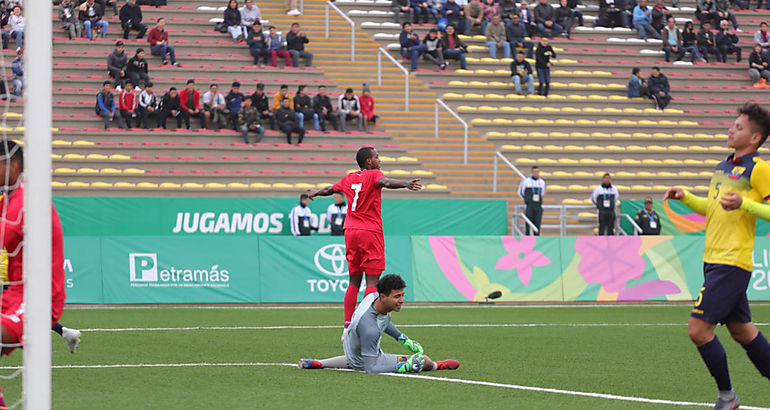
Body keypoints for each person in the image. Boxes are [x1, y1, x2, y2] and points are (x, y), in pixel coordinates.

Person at [662, 103, 770, 410]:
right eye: (733, 124)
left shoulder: (760, 169)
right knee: (742, 331)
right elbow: (713, 209)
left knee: (698, 330)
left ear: (755, 138)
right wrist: (688, 197)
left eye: (739, 127)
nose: (731, 129)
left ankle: (727, 397)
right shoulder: (723, 167)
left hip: (732, 262)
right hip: (713, 260)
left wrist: (745, 205)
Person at [307, 147, 422, 332]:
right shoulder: (374, 174)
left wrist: (316, 193)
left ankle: (347, 326)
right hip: (369, 231)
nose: (379, 160)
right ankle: (367, 323)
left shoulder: (349, 177)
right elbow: (385, 181)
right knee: (372, 283)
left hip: (350, 230)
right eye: (377, 157)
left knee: (353, 281)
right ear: (369, 161)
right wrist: (405, 183)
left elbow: (330, 189)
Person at [0, 141, 81, 387]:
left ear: (13, 165)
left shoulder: (28, 201)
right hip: (15, 291)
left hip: (40, 296)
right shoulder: (8, 200)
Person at [299, 275, 460, 373]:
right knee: (422, 360)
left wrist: (403, 339)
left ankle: (320, 363)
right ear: (383, 297)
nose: (402, 300)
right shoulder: (369, 329)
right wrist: (404, 366)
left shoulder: (373, 299)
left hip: (353, 353)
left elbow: (384, 321)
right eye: (397, 296)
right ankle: (437, 366)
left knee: (353, 359)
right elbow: (371, 369)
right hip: (364, 360)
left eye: (403, 295)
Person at [518, 166, 545, 235]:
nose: (536, 173)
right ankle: (528, 240)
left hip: (538, 205)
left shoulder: (542, 182)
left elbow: (542, 193)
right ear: (532, 172)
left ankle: (537, 239)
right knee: (528, 224)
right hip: (529, 205)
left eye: (537, 172)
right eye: (534, 172)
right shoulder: (526, 181)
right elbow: (520, 192)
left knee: (537, 224)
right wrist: (527, 199)